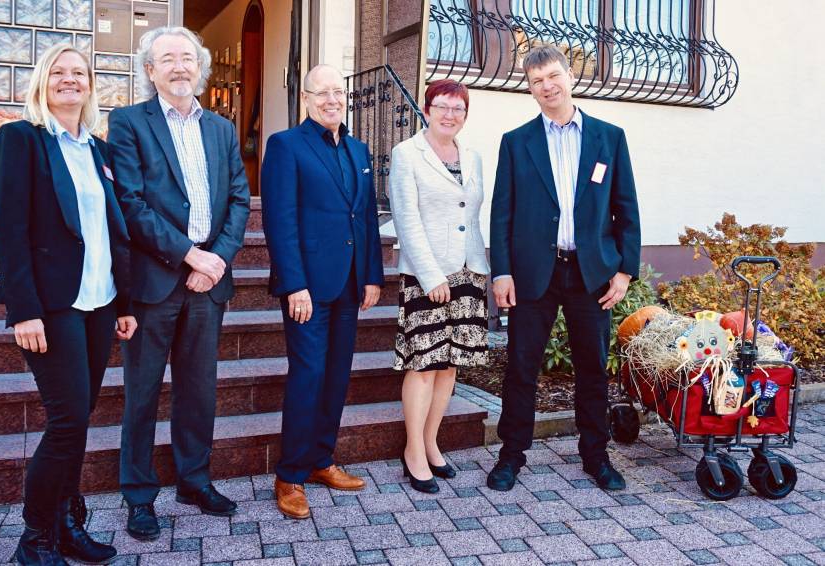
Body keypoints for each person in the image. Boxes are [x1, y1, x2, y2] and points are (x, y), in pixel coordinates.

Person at [0, 43, 137, 565]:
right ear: (42, 80)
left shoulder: (97, 150)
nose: (70, 79)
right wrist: (23, 308)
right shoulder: (20, 139)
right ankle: (35, 538)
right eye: (59, 72)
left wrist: (122, 302)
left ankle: (66, 525)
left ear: (91, 85)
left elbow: (108, 232)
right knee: (68, 420)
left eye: (79, 72)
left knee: (79, 416)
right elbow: (10, 231)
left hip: (99, 304)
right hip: (51, 306)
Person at [108, 26, 250, 539]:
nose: (179, 66)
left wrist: (215, 260)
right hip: (154, 282)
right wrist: (190, 255)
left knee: (198, 390)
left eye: (187, 57)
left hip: (207, 283)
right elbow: (131, 202)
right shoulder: (127, 123)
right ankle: (139, 496)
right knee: (142, 393)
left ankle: (194, 480)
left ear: (201, 67)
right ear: (150, 70)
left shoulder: (222, 129)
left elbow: (238, 199)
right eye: (167, 58)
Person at [488, 46, 641, 492]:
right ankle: (511, 455)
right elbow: (503, 213)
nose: (547, 87)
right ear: (530, 88)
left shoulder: (609, 137)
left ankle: (596, 455)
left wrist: (624, 270)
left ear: (569, 76)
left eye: (553, 76)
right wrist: (502, 272)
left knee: (592, 367)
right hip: (536, 273)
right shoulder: (516, 142)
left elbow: (626, 208)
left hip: (591, 274)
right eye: (537, 81)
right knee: (520, 366)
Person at [260, 64, 384, 519]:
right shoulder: (286, 146)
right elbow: (280, 219)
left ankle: (320, 461)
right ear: (306, 98)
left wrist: (372, 275)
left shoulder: (358, 149)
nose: (332, 99)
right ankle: (290, 474)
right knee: (308, 377)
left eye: (338, 92)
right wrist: (294, 284)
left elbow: (365, 217)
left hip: (350, 283)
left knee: (336, 377)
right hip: (308, 287)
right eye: (322, 92)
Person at [388, 80, 490, 493]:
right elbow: (406, 218)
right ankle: (413, 450)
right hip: (426, 276)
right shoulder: (406, 154)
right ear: (427, 109)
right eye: (442, 106)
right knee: (424, 364)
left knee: (450, 364)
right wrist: (431, 277)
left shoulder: (473, 156)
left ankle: (431, 442)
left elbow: (472, 214)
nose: (450, 115)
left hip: (468, 272)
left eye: (458, 109)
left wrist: (480, 269)